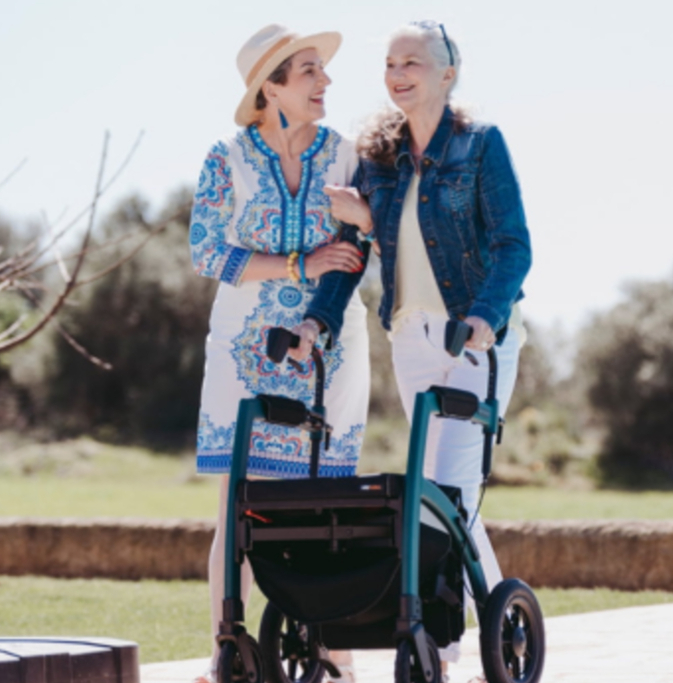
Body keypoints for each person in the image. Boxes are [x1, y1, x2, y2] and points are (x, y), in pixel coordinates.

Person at [304, 20, 532, 679]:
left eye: (413, 62)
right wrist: (317, 324)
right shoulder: (379, 157)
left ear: (447, 74)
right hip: (410, 338)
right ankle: (500, 616)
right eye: (390, 62)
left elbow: (515, 243)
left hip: (473, 338)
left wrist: (486, 317)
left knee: (450, 492)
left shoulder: (481, 145)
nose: (398, 72)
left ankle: (443, 635)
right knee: (433, 495)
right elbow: (353, 261)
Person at [189, 24, 368, 683]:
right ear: (272, 87)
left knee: (330, 503)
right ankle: (226, 653)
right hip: (243, 353)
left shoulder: (347, 156)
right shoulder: (225, 157)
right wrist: (301, 261)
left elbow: (356, 251)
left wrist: (318, 285)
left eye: (323, 71)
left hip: (329, 353)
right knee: (239, 506)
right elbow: (208, 252)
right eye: (309, 72)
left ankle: (336, 655)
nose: (325, 83)